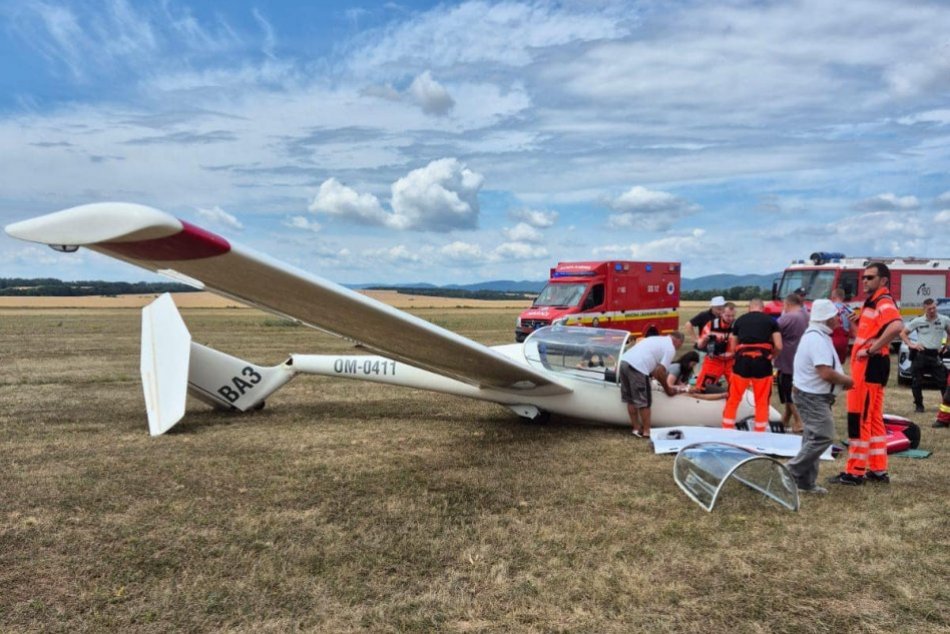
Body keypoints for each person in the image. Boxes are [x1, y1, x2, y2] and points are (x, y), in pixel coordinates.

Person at [829, 263, 904, 486]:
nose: (864, 281)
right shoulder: (872, 303)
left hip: (869, 368)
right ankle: (879, 469)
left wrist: (870, 350)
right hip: (872, 367)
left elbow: (896, 326)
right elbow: (870, 333)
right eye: (863, 278)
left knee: (858, 417)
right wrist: (856, 326)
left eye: (870, 278)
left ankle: (855, 471)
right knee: (872, 419)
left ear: (883, 281)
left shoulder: (883, 301)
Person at [786, 300, 854, 494]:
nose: (839, 319)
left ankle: (805, 483)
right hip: (812, 396)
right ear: (829, 318)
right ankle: (790, 471)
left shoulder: (818, 335)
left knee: (812, 438)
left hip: (813, 395)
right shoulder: (816, 339)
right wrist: (847, 381)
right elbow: (825, 372)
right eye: (836, 316)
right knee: (823, 436)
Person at [722, 298, 781, 432]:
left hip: (742, 362)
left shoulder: (740, 320)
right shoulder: (771, 321)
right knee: (761, 400)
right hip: (763, 362)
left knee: (733, 398)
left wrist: (737, 354)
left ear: (749, 308)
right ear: (762, 308)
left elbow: (733, 344)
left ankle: (726, 429)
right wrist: (773, 355)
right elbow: (779, 345)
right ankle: (759, 431)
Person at [619, 332, 684, 438]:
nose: (678, 349)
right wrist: (667, 389)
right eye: (680, 346)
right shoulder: (670, 348)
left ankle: (636, 428)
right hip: (638, 367)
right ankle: (646, 431)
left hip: (624, 362)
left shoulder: (655, 339)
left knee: (630, 399)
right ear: (678, 341)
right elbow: (660, 372)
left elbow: (655, 370)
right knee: (644, 402)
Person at [899, 298, 950, 412]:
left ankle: (946, 406)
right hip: (921, 355)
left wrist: (946, 345)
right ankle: (919, 406)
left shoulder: (944, 320)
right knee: (917, 382)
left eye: (934, 307)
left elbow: (949, 332)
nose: (932, 310)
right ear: (924, 309)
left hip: (935, 355)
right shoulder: (918, 321)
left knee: (943, 381)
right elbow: (902, 334)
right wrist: (911, 344)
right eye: (929, 309)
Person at [776, 293, 809, 433]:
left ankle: (799, 421)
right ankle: (785, 420)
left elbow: (773, 331)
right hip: (802, 359)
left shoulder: (787, 318)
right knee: (791, 390)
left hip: (787, 360)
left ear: (788, 304)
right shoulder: (807, 316)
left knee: (788, 392)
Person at [695, 302, 736, 392]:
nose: (731, 319)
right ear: (721, 313)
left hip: (731, 362)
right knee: (702, 388)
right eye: (728, 316)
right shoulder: (711, 325)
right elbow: (700, 345)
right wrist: (705, 339)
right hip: (713, 361)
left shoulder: (737, 326)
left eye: (733, 316)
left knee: (738, 388)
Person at [830, 287, 852, 363]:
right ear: (843, 297)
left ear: (833, 297)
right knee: (839, 364)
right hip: (844, 340)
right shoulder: (849, 309)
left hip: (831, 339)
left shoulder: (830, 308)